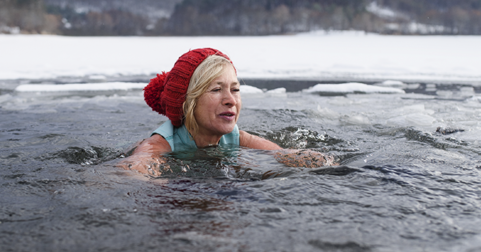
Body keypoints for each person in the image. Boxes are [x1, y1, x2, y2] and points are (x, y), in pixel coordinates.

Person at [122, 48, 334, 175]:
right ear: (188, 101)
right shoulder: (160, 143)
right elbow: (132, 171)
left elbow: (283, 155)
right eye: (216, 89)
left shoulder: (236, 137)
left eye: (235, 89)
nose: (231, 100)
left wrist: (323, 162)